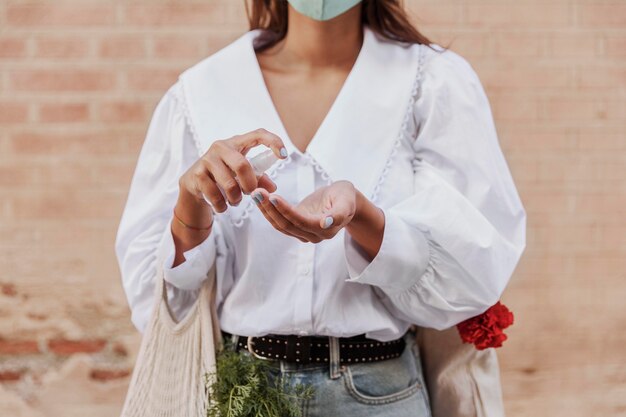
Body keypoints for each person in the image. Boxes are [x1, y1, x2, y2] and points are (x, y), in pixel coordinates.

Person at [114, 1, 527, 416]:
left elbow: (475, 267)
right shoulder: (201, 91)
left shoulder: (433, 82)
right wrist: (192, 201)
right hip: (242, 391)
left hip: (378, 392)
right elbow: (159, 301)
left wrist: (363, 216)